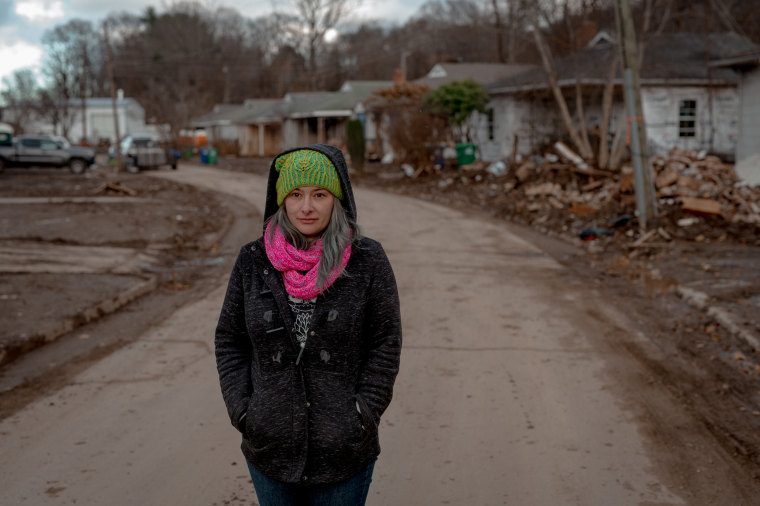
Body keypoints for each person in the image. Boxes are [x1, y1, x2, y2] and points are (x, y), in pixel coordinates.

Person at [215, 144, 402, 506]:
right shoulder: (252, 261)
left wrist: (363, 413)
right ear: (281, 199)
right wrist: (243, 411)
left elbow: (385, 342)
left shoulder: (368, 259)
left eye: (319, 194)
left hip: (344, 451)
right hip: (270, 447)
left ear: (338, 198)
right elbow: (229, 340)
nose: (306, 207)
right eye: (296, 194)